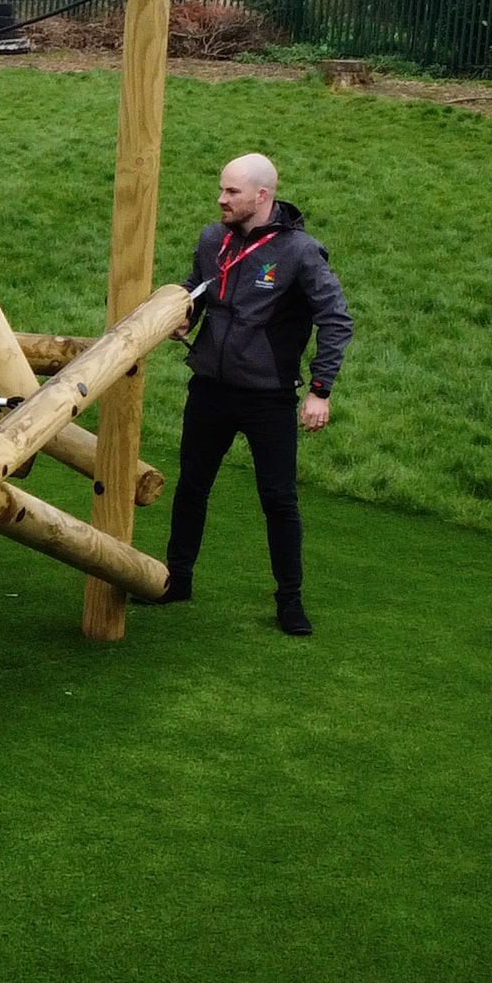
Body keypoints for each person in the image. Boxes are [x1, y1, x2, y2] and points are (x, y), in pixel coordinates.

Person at [149, 151, 353, 636]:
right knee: (192, 487)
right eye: (222, 189)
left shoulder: (301, 252)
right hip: (210, 389)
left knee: (278, 499)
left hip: (268, 397)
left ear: (262, 197)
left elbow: (336, 320)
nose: (221, 199)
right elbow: (196, 289)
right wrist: (184, 318)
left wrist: (320, 391)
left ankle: (290, 600)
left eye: (231, 192)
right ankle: (177, 579)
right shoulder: (211, 238)